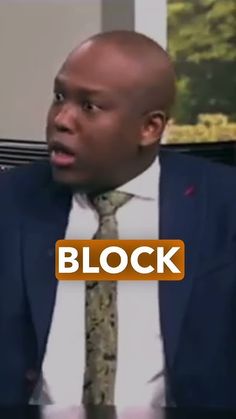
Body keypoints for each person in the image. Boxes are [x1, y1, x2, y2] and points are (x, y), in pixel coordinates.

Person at [0, 30, 236, 412]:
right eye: (59, 97)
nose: (61, 119)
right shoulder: (9, 202)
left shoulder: (224, 206)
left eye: (89, 106)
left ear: (150, 128)